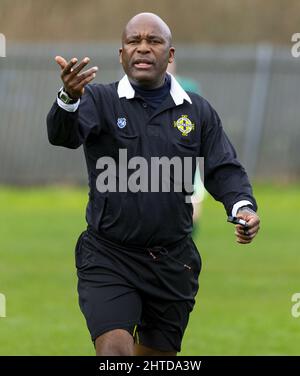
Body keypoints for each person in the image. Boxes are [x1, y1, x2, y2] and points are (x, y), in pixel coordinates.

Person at [46, 12, 260, 356]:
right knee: (114, 353)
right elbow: (62, 136)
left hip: (173, 261)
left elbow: (223, 168)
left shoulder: (197, 112)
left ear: (170, 55)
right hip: (108, 255)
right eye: (133, 41)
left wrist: (243, 207)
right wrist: (68, 98)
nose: (142, 49)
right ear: (121, 54)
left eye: (153, 41)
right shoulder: (100, 100)